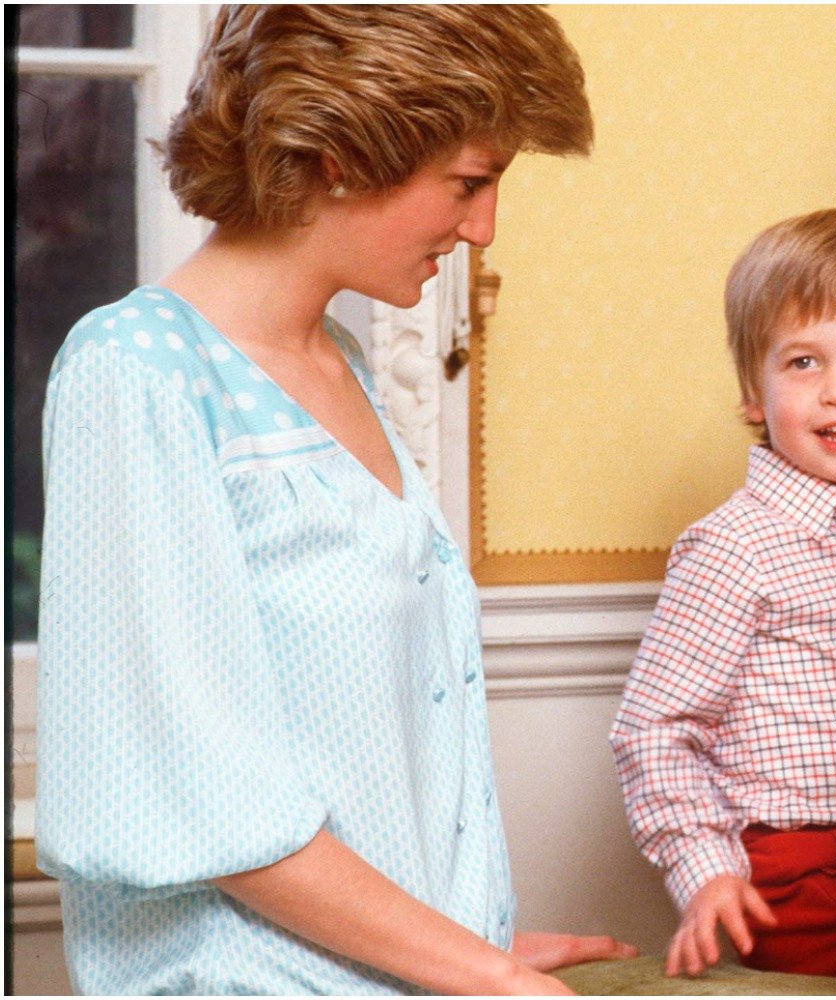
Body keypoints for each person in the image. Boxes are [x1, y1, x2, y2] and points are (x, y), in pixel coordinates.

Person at [34, 7, 636, 993]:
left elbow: (354, 746)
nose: (482, 227)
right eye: (470, 182)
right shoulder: (136, 372)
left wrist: (476, 946)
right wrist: (492, 979)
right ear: (346, 153)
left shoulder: (343, 365)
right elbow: (205, 801)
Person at [608, 209, 836, 980]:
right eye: (803, 363)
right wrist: (706, 868)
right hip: (805, 866)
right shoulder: (732, 547)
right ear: (753, 392)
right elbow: (653, 730)